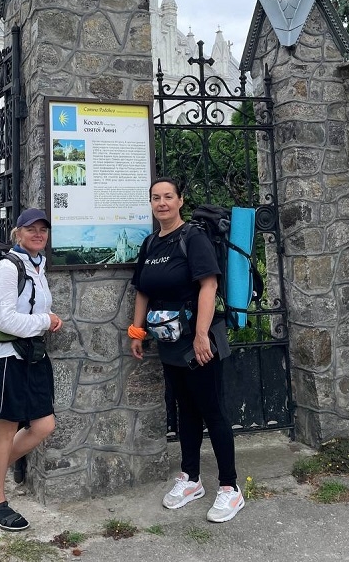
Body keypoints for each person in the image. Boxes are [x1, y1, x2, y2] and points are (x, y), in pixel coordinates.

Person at [128, 178, 244, 523]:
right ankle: (191, 479)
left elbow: (209, 285)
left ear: (180, 200)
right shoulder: (150, 244)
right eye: (155, 198)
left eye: (168, 197)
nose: (161, 203)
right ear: (150, 204)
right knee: (185, 410)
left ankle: (230, 488)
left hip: (198, 341)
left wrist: (202, 335)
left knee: (213, 411)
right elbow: (142, 292)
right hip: (169, 343)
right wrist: (136, 331)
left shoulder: (193, 238)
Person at [0, 208, 63, 531]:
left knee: (44, 424)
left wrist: (46, 319)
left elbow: (36, 308)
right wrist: (44, 321)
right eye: (31, 229)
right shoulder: (7, 268)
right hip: (4, 359)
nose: (38, 234)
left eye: (43, 230)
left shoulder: (37, 266)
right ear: (17, 233)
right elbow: (4, 318)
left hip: (31, 356)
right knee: (5, 431)